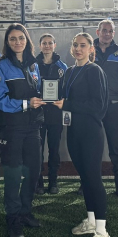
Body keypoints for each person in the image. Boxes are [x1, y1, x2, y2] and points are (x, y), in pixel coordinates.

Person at [52, 33, 111, 237]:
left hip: (90, 132)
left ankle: (102, 232)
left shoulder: (94, 71)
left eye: (83, 46)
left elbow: (98, 106)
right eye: (75, 45)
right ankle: (91, 220)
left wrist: (68, 104)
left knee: (93, 179)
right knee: (85, 178)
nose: (78, 49)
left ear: (91, 49)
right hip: (73, 131)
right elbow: (63, 98)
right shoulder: (69, 72)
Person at [0, 23, 43, 237]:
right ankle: (13, 219)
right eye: (13, 39)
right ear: (7, 42)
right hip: (11, 127)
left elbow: (38, 91)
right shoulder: (0, 66)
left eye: (21, 38)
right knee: (13, 175)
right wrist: (25, 104)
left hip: (33, 127)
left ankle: (25, 211)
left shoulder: (33, 64)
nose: (17, 42)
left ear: (27, 40)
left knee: (34, 171)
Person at [93, 19, 118, 199]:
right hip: (92, 108)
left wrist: (116, 94)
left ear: (113, 33)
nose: (107, 33)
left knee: (116, 146)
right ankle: (88, 183)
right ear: (98, 32)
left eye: (110, 31)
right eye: (104, 30)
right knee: (90, 146)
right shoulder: (88, 50)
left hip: (113, 106)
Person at [34, 33, 68, 195]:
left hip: (56, 114)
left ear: (55, 45)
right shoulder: (32, 66)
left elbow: (67, 91)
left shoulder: (63, 67)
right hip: (37, 114)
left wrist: (62, 102)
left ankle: (53, 181)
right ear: (39, 46)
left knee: (54, 149)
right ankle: (39, 182)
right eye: (44, 43)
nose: (47, 46)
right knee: (37, 150)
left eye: (50, 43)